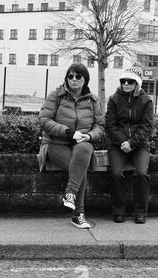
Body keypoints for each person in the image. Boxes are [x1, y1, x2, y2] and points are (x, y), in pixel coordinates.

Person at [38, 63, 104, 229]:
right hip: (56, 144)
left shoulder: (92, 100)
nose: (74, 79)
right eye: (70, 76)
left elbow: (100, 127)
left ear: (85, 79)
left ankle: (70, 195)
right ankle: (78, 214)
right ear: (66, 79)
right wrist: (68, 132)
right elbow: (44, 120)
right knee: (79, 170)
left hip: (81, 144)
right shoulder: (56, 96)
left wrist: (89, 135)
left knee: (85, 149)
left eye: (78, 76)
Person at [105, 62, 154, 224]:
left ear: (137, 84)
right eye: (123, 81)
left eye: (130, 81)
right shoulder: (113, 100)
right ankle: (118, 211)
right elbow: (110, 126)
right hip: (117, 145)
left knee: (141, 174)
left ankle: (140, 212)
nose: (126, 83)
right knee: (116, 173)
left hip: (139, 146)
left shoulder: (146, 101)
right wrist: (122, 143)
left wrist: (132, 143)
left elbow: (147, 127)